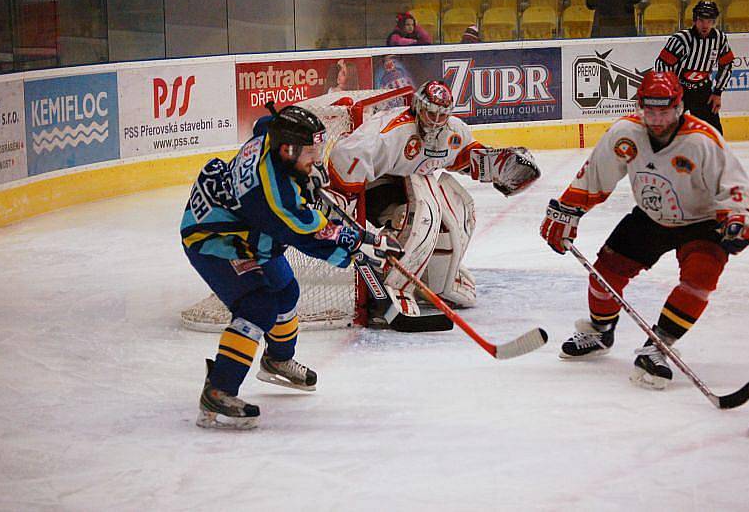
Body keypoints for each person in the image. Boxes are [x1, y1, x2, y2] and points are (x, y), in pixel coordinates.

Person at [181, 105, 402, 429]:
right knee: (258, 306)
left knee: (286, 291)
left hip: (243, 224)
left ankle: (277, 361)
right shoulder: (270, 198)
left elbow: (262, 123)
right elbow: (306, 236)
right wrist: (358, 246)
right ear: (288, 149)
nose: (315, 158)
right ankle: (218, 390)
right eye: (310, 153)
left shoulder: (272, 135)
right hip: (215, 240)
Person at [539, 71, 749, 389]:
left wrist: (737, 219)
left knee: (700, 279)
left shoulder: (701, 140)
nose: (656, 119)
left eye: (664, 110)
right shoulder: (626, 133)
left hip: (703, 222)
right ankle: (600, 332)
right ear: (640, 106)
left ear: (679, 107)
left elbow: (733, 185)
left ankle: (659, 345)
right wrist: (570, 209)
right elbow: (596, 174)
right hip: (652, 217)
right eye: (649, 110)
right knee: (604, 273)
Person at [327, 80, 540, 327]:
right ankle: (394, 284)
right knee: (422, 214)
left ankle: (439, 278)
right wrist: (344, 198)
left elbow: (462, 157)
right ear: (418, 106)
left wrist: (495, 165)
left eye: (442, 116)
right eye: (431, 113)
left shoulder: (451, 132)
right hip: (376, 188)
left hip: (407, 183)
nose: (436, 121)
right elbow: (345, 155)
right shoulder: (391, 132)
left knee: (461, 209)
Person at [654, 0, 734, 134]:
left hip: (703, 91)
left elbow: (726, 64)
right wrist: (670, 91)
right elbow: (662, 64)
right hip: (679, 90)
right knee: (666, 130)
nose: (705, 25)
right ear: (695, 20)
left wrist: (718, 92)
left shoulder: (719, 38)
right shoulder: (681, 39)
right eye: (702, 20)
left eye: (709, 21)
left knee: (713, 133)